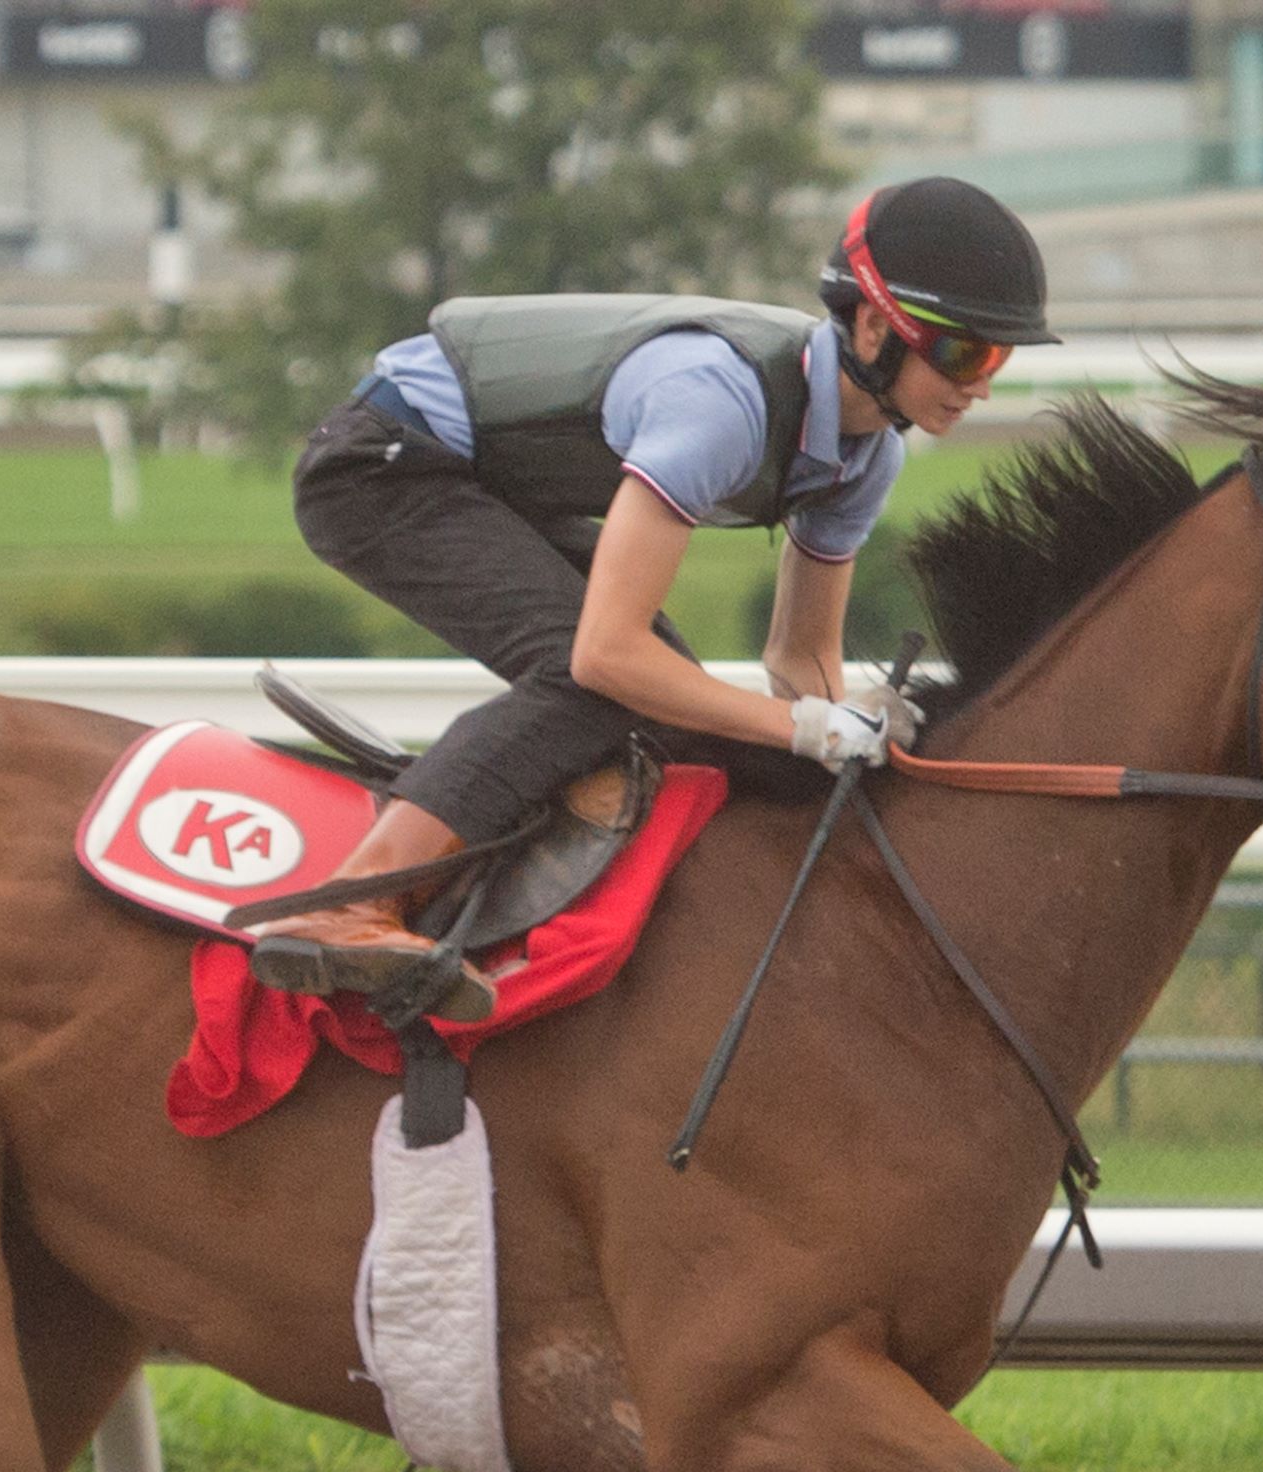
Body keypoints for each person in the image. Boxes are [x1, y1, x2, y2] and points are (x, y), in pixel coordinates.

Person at [253, 176, 1057, 1020]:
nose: (982, 386)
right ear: (871, 325)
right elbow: (605, 653)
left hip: (489, 482)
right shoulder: (721, 403)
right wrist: (800, 727)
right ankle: (352, 900)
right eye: (965, 354)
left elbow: (800, 657)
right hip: (381, 466)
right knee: (590, 680)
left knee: (671, 703)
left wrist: (847, 734)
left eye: (998, 360)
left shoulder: (867, 457)